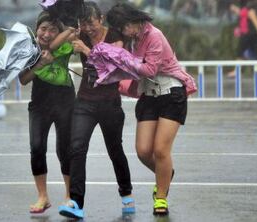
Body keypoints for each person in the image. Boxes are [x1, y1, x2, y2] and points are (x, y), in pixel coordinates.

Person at [106, 3, 197, 216]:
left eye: (123, 27)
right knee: (143, 151)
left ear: (133, 21)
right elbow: (134, 76)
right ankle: (165, 174)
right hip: (149, 96)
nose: (122, 32)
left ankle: (161, 197)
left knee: (161, 150)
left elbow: (149, 69)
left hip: (171, 93)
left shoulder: (154, 35)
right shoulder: (131, 39)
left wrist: (122, 59)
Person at [58, 1, 135, 219]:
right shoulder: (80, 34)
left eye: (91, 22)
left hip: (109, 102)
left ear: (100, 19)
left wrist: (85, 49)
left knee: (115, 150)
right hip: (85, 101)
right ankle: (75, 202)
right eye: (83, 23)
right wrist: (68, 32)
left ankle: (126, 192)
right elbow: (59, 42)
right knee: (76, 148)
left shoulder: (116, 36)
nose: (88, 28)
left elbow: (111, 65)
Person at [19, 11, 77, 214]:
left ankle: (70, 196)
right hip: (39, 104)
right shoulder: (28, 51)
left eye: (53, 30)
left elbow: (71, 37)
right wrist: (41, 63)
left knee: (65, 149)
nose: (47, 33)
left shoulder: (64, 45)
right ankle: (43, 196)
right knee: (36, 147)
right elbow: (23, 79)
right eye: (43, 28)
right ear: (36, 30)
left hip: (65, 102)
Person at [228, 0, 257, 78]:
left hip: (250, 33)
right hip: (247, 33)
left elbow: (254, 19)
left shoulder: (251, 5)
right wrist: (235, 9)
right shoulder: (245, 5)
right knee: (256, 53)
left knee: (241, 52)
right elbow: (243, 14)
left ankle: (236, 71)